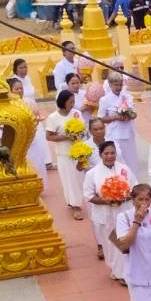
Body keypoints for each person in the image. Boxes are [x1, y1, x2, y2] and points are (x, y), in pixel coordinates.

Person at [82, 141, 133, 280]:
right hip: (104, 215)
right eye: (106, 153)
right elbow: (88, 195)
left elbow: (134, 188)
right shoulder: (92, 174)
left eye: (112, 153)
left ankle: (123, 273)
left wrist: (123, 197)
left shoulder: (125, 169)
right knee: (110, 244)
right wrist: (107, 200)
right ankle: (115, 270)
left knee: (122, 241)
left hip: (123, 211)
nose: (110, 156)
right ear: (100, 155)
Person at [45, 89, 86, 219]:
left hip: (78, 151)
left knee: (78, 179)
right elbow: (49, 136)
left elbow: (83, 129)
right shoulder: (53, 117)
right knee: (69, 180)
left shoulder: (77, 114)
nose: (73, 104)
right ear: (63, 102)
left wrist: (78, 134)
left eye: (74, 101)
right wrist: (65, 137)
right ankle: (76, 206)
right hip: (63, 153)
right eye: (70, 102)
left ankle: (73, 201)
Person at [7, 77, 50, 185]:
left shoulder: (29, 102)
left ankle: (39, 185)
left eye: (21, 88)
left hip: (31, 137)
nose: (20, 91)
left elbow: (36, 116)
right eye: (16, 89)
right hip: (16, 140)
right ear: (10, 90)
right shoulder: (8, 106)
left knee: (36, 162)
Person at [97, 72, 139, 177]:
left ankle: (133, 183)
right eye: (116, 85)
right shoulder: (104, 100)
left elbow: (134, 114)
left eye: (120, 85)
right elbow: (101, 118)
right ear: (110, 85)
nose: (119, 87)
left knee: (131, 161)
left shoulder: (128, 97)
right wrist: (115, 117)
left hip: (128, 134)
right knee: (119, 160)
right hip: (115, 135)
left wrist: (128, 115)